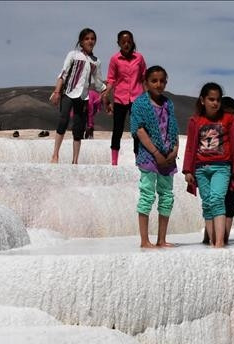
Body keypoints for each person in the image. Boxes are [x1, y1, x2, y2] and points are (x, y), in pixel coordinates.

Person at [183, 82, 234, 249]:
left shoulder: (229, 120)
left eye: (217, 99)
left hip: (221, 166)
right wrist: (187, 170)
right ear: (202, 100)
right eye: (211, 99)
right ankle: (211, 241)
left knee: (217, 199)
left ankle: (219, 242)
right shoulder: (195, 120)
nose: (215, 103)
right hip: (201, 168)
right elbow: (190, 146)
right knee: (207, 203)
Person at [130, 66, 179, 249]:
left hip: (167, 157)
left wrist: (174, 151)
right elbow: (139, 130)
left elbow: (173, 129)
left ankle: (161, 239)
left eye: (162, 81)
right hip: (149, 156)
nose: (158, 84)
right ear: (146, 83)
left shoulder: (168, 104)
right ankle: (144, 240)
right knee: (147, 195)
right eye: (154, 81)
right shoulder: (140, 104)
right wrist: (156, 153)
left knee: (166, 196)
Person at [50, 28, 107, 164]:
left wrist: (106, 92)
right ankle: (55, 155)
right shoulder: (73, 55)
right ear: (81, 42)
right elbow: (63, 74)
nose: (90, 41)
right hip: (69, 93)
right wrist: (57, 92)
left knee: (79, 127)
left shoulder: (96, 62)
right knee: (63, 120)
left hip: (83, 97)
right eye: (87, 39)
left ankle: (75, 161)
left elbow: (98, 83)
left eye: (92, 39)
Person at [103, 30, 147, 166]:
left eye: (129, 41)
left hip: (137, 98)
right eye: (123, 42)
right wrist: (106, 93)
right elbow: (111, 79)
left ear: (132, 42)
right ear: (118, 43)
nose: (126, 44)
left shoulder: (139, 58)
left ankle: (138, 161)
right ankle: (114, 162)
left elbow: (144, 78)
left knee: (137, 130)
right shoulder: (115, 59)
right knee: (117, 129)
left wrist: (148, 97)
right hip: (120, 98)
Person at [202, 96, 234, 244]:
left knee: (229, 206)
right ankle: (209, 238)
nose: (229, 116)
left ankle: (224, 239)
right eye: (227, 113)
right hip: (217, 172)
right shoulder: (216, 131)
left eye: (232, 113)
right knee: (213, 203)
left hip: (232, 176)